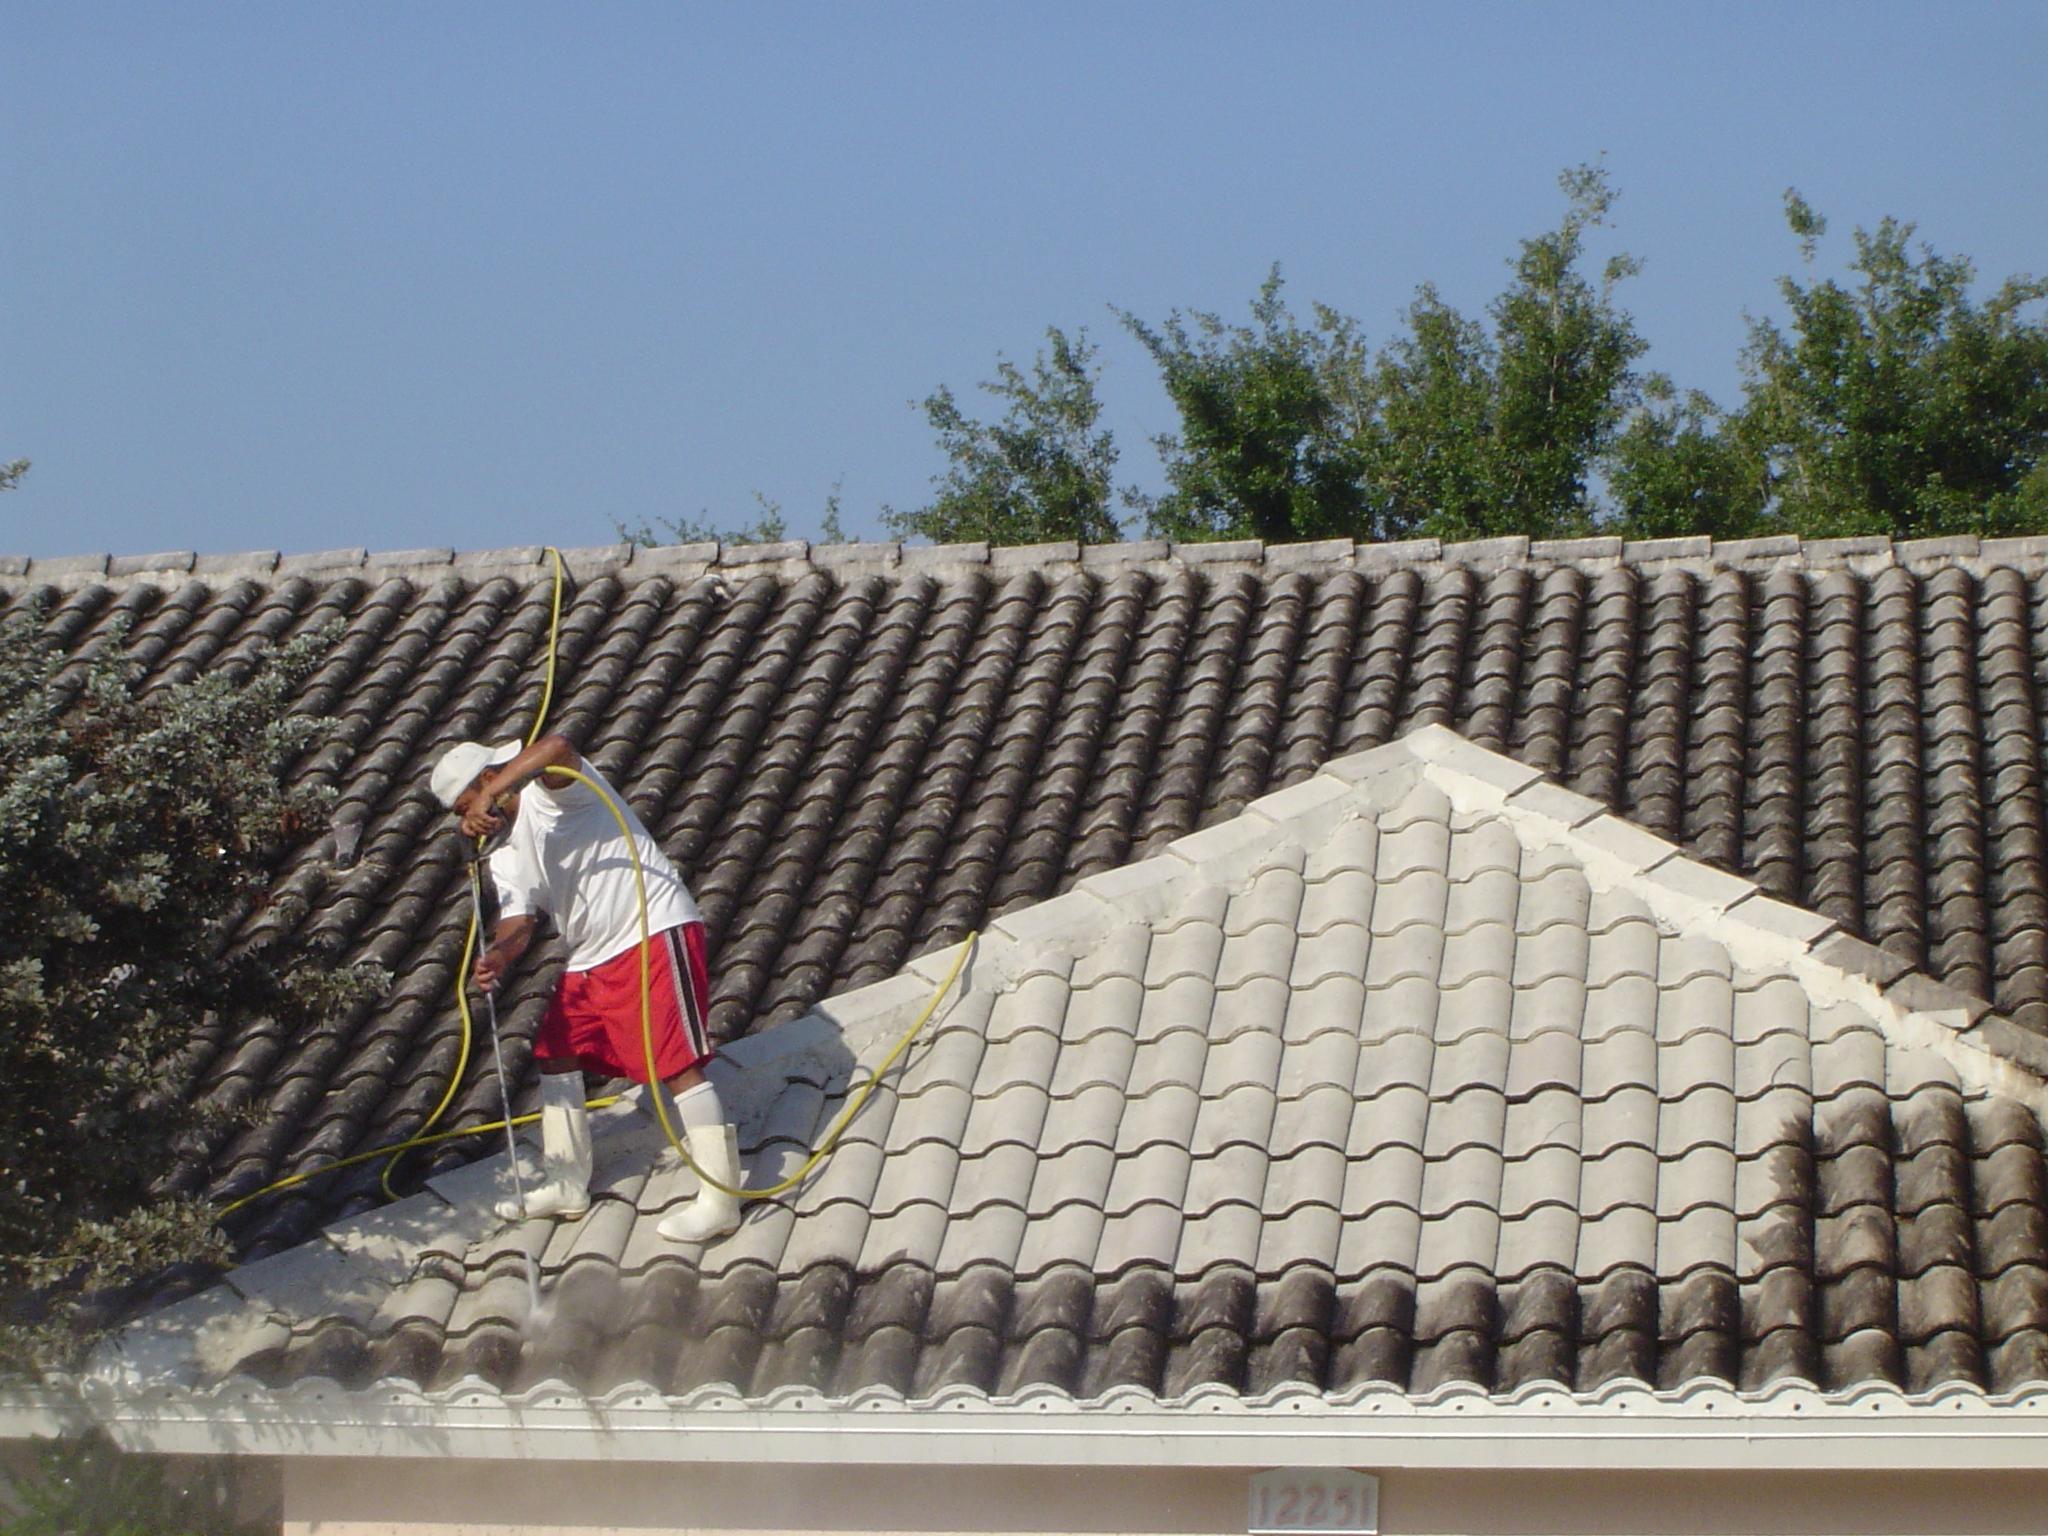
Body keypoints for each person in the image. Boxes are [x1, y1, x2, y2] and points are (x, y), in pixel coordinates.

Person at [428, 733, 742, 1243]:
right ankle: (566, 1182)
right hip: (593, 955)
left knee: (675, 1062)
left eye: (473, 804)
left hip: (651, 927)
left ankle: (720, 1198)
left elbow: (558, 744)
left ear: (490, 780)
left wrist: (495, 791)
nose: (478, 819)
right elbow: (519, 921)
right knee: (555, 1050)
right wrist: (499, 957)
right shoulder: (504, 851)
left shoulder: (555, 790)